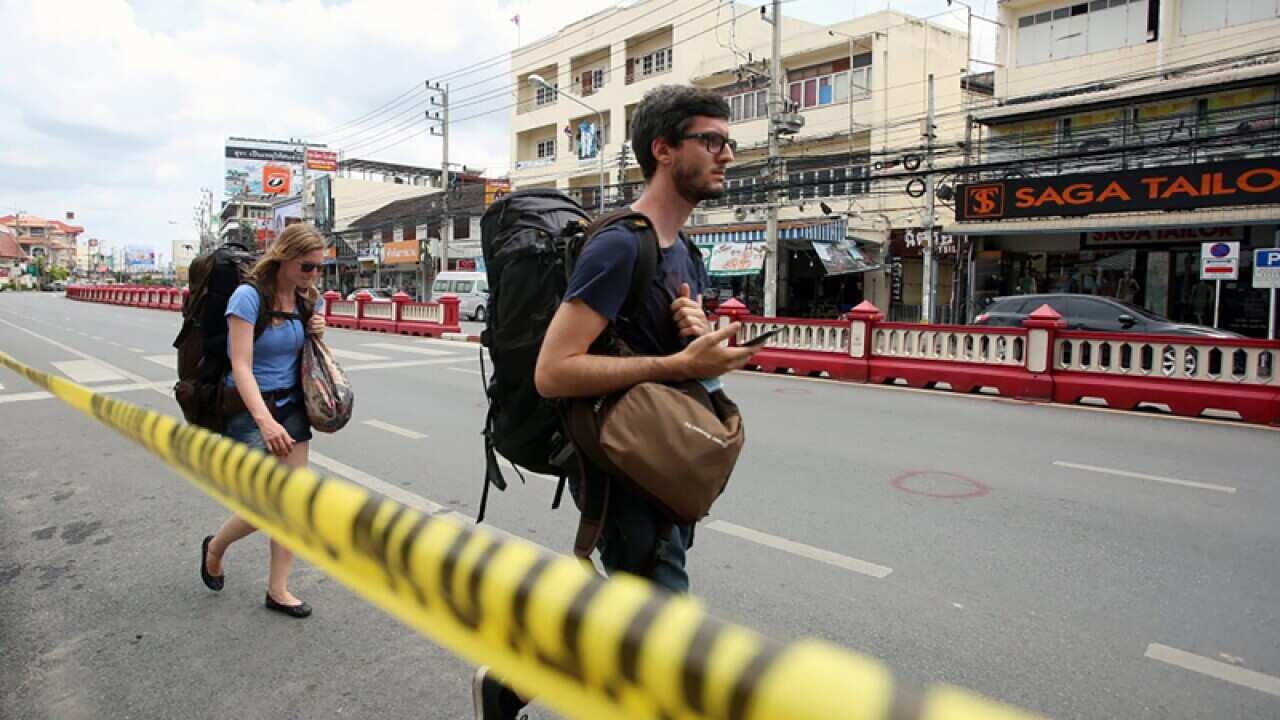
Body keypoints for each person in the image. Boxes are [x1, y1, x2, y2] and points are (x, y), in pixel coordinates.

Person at [471, 85, 761, 719]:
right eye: (711, 140)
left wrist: (694, 332)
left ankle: (513, 682)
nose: (727, 155)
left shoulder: (681, 250)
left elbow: (660, 358)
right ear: (662, 150)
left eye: (728, 142)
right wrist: (682, 362)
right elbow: (553, 371)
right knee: (667, 646)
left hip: (662, 460)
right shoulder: (619, 245)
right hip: (621, 473)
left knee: (630, 620)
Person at [199, 224, 327, 619]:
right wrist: (264, 421)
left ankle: (278, 589)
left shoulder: (308, 299)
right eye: (307, 266)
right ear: (285, 257)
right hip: (250, 408)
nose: (313, 275)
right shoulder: (248, 297)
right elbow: (240, 365)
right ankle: (216, 548)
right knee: (264, 504)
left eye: (320, 268)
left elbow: (306, 360)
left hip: (292, 407)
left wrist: (318, 332)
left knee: (290, 503)